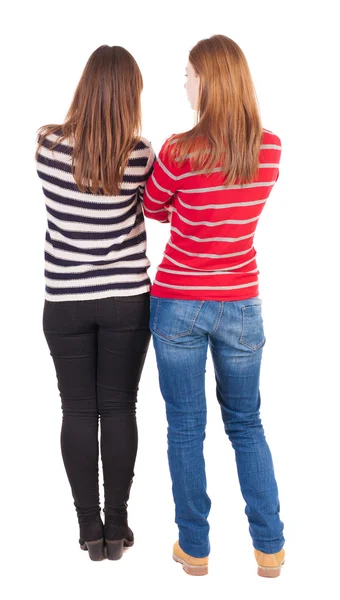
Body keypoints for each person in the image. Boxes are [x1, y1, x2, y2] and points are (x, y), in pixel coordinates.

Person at [143, 34, 285, 577]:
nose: (184, 82)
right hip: (241, 302)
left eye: (188, 74)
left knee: (185, 427)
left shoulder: (179, 150)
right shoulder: (268, 147)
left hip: (179, 301)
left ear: (209, 81)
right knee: (247, 423)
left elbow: (154, 207)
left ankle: (194, 549)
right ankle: (269, 547)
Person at [36, 45, 155, 561]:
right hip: (128, 299)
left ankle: (90, 530)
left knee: (78, 409)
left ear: (85, 86)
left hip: (65, 300)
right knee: (120, 408)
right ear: (131, 95)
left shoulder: (46, 147)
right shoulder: (141, 154)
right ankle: (119, 526)